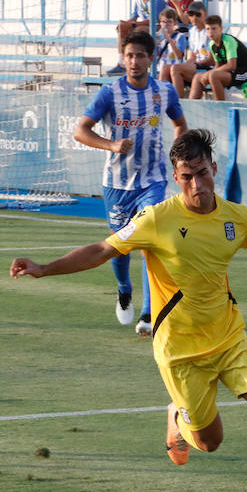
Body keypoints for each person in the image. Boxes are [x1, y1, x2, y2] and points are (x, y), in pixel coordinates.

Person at [10, 128, 247, 492]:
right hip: (180, 352)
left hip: (229, 339)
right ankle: (176, 413)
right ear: (176, 178)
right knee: (209, 442)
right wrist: (44, 268)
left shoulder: (238, 218)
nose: (197, 184)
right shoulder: (157, 219)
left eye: (202, 172)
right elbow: (102, 249)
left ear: (214, 169)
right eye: (187, 176)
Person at [75, 29, 188, 336]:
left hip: (153, 181)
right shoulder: (109, 93)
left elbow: (179, 123)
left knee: (149, 242)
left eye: (140, 55)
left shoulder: (164, 92)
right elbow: (81, 131)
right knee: (119, 247)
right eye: (129, 56)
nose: (134, 61)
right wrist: (111, 145)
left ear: (151, 59)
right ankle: (124, 288)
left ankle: (149, 313)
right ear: (123, 59)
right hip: (116, 183)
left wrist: (177, 157)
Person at [190, 14, 247, 101]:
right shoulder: (211, 44)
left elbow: (231, 66)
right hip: (230, 73)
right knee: (197, 77)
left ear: (221, 29)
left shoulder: (228, 41)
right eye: (208, 29)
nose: (210, 32)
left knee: (213, 75)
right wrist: (208, 75)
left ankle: (220, 107)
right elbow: (218, 64)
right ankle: (190, 108)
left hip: (244, 72)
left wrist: (210, 73)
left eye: (214, 28)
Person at [108, 0, 165, 75]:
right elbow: (134, 16)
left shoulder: (157, 0)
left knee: (140, 30)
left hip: (157, 29)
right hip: (142, 26)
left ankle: (141, 61)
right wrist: (125, 23)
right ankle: (121, 63)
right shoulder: (138, 0)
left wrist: (133, 25)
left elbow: (153, 21)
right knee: (122, 27)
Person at [170, 1, 213, 99]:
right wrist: (187, 64)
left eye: (198, 14)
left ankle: (178, 104)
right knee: (166, 69)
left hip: (207, 67)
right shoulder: (192, 31)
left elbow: (212, 60)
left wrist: (195, 64)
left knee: (175, 69)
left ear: (205, 15)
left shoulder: (209, 31)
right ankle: (161, 104)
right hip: (197, 66)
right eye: (191, 14)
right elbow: (192, 56)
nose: (194, 17)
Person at [155, 7, 189, 89]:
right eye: (163, 22)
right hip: (159, 69)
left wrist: (169, 39)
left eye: (169, 22)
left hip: (173, 69)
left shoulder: (180, 36)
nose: (166, 24)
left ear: (174, 23)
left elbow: (179, 56)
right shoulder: (158, 37)